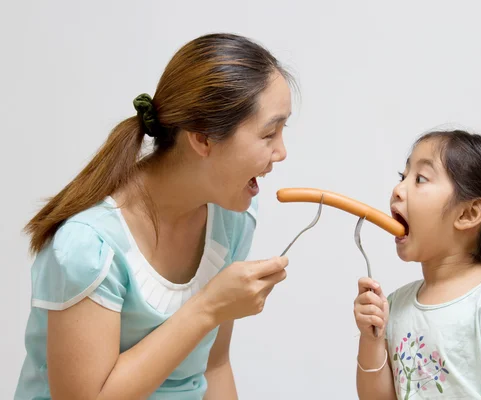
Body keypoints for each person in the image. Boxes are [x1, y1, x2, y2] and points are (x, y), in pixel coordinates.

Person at [15, 33, 294, 399]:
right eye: (269, 133)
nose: (282, 152)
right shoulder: (87, 247)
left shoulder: (233, 218)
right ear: (203, 138)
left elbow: (214, 365)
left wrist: (214, 308)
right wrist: (208, 308)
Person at [353, 129, 481, 399]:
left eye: (419, 179)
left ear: (468, 213)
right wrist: (371, 339)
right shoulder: (395, 306)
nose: (397, 190)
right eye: (402, 176)